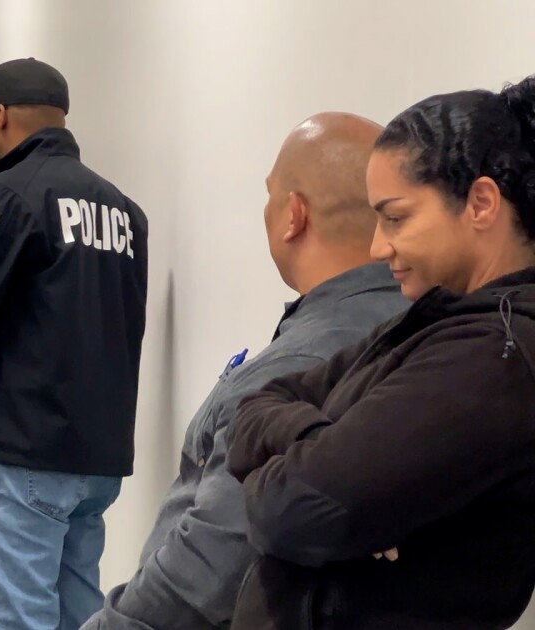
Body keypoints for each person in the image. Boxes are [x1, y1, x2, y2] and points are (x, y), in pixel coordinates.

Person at [226, 78, 535, 629]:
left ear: (481, 203)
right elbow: (256, 403)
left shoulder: (495, 355)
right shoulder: (433, 320)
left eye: (396, 217)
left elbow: (292, 511)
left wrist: (309, 467)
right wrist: (319, 444)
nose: (376, 247)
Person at [81, 113, 410, 629]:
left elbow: (204, 578)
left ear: (293, 216)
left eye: (270, 195)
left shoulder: (296, 370)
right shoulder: (419, 329)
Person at [0, 58, 149, 629]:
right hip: (98, 450)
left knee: (16, 617)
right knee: (79, 607)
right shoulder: (123, 210)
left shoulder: (5, 195)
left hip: (24, 443)